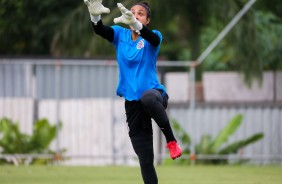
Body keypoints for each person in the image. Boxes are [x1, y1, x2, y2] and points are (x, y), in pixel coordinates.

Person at [84, 1, 182, 183]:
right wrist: (95, 16)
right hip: (133, 105)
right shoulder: (120, 34)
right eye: (133, 12)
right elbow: (100, 30)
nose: (136, 15)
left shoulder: (153, 37)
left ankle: (171, 141)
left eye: (141, 14)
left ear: (147, 20)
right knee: (145, 161)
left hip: (155, 96)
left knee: (147, 98)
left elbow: (153, 39)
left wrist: (136, 25)